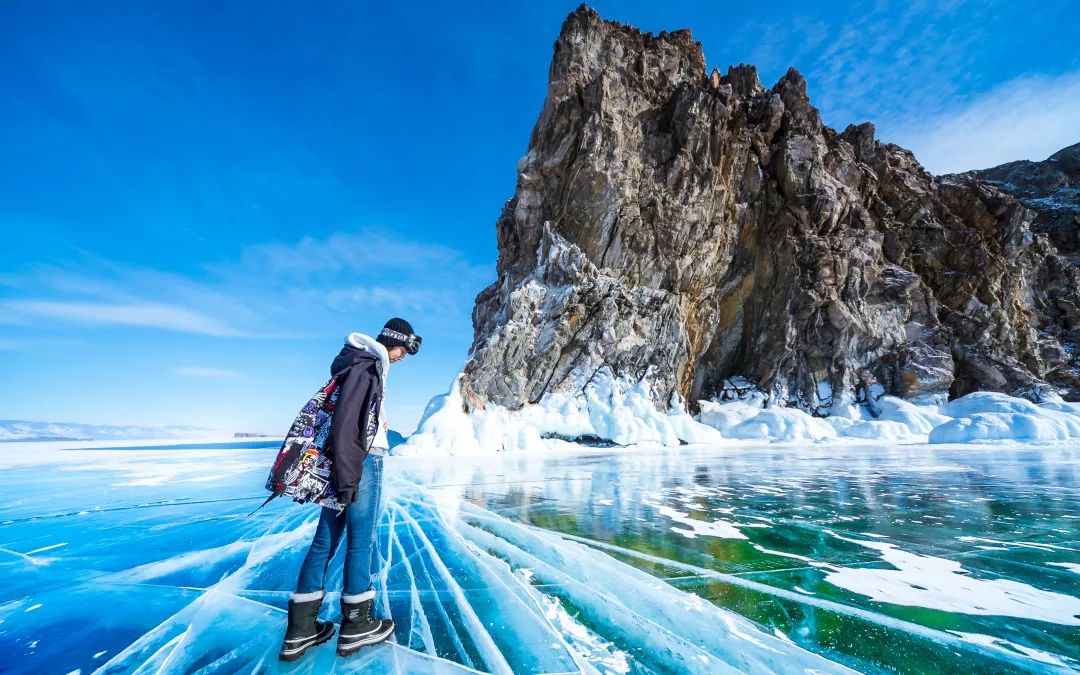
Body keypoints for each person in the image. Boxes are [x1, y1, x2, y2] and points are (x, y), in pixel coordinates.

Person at [279, 318, 421, 661]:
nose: (403, 357)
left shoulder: (358, 363)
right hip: (360, 464)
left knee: (325, 540)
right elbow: (346, 426)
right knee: (362, 540)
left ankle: (300, 631)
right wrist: (348, 478)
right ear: (393, 341)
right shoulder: (367, 367)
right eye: (404, 349)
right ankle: (358, 625)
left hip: (347, 465)